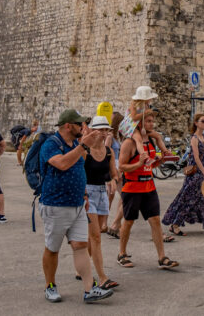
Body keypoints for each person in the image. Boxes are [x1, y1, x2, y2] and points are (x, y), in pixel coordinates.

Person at [39, 108, 113, 304]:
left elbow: (78, 171)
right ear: (67, 125)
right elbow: (62, 164)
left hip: (78, 204)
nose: (83, 127)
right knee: (52, 248)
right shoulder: (51, 144)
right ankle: (50, 286)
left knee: (81, 245)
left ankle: (90, 289)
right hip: (56, 204)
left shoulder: (75, 144)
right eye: (79, 124)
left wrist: (84, 193)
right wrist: (83, 146)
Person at [117, 110, 179, 270]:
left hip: (149, 186)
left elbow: (149, 166)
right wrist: (138, 165)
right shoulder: (129, 143)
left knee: (155, 221)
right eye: (148, 121)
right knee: (129, 221)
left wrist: (160, 161)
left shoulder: (151, 141)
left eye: (152, 121)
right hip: (132, 188)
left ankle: (162, 257)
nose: (152, 124)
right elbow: (122, 167)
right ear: (140, 124)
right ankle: (122, 253)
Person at [83, 115, 119, 290]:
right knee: (96, 236)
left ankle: (82, 267)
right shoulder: (85, 150)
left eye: (107, 130)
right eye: (101, 130)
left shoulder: (109, 151)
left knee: (96, 233)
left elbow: (114, 173)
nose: (104, 133)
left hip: (101, 193)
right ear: (93, 130)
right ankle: (102, 277)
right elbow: (78, 174)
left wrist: (113, 180)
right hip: (87, 194)